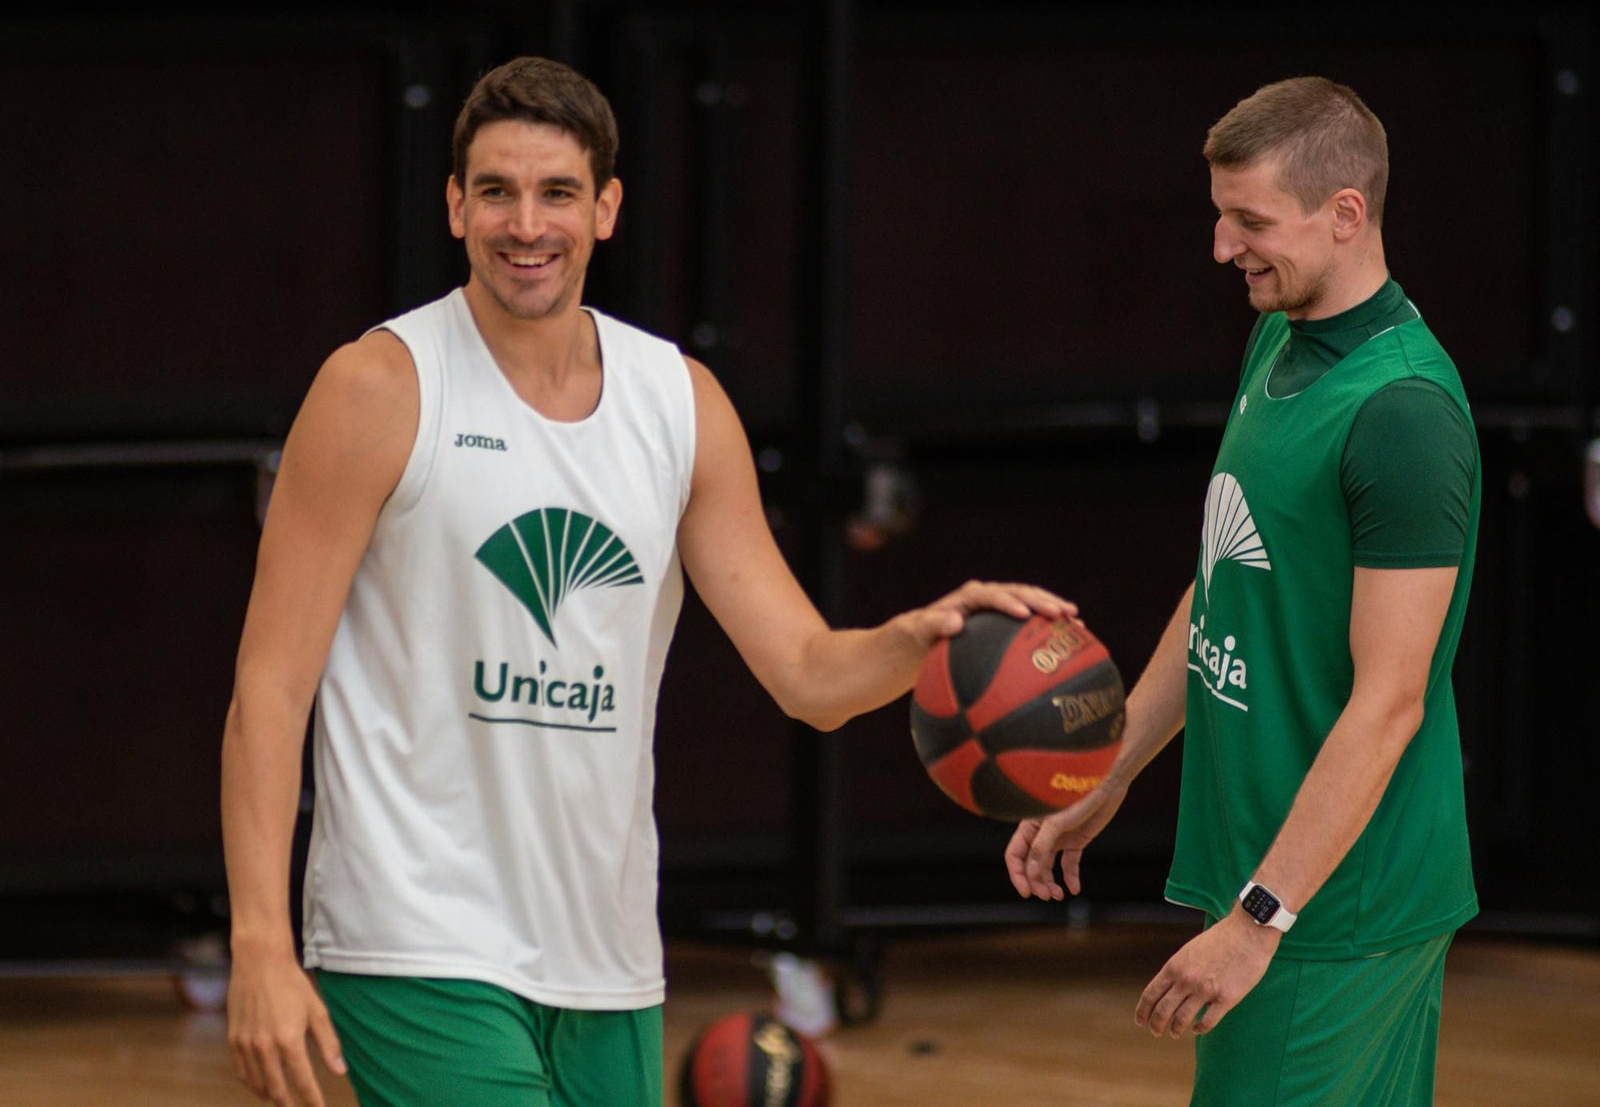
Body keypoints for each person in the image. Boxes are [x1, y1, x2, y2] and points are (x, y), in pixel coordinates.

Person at [221, 56, 1071, 1107]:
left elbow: (807, 675)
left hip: (604, 951)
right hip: (412, 935)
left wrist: (920, 637)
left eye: (557, 193)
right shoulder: (378, 387)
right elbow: (269, 685)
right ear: (454, 204)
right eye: (495, 190)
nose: (524, 222)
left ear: (607, 208)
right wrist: (259, 943)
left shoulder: (677, 402)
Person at [1007, 77, 1479, 1106]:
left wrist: (1261, 917)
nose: (1223, 246)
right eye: (1220, 215)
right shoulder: (1277, 337)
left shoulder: (1401, 412)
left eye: (1251, 221)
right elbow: (1227, 579)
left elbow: (1389, 700)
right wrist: (1112, 762)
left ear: (1344, 212)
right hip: (1304, 883)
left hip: (1332, 903)